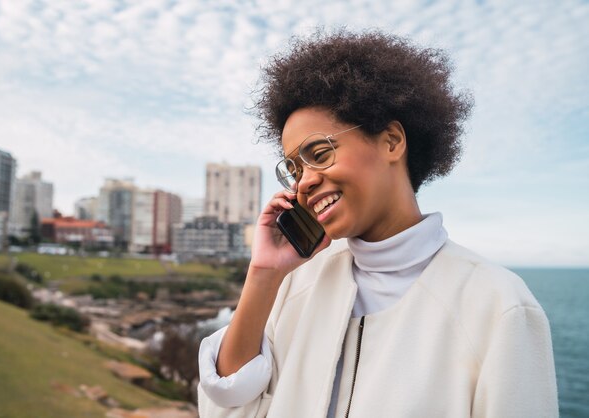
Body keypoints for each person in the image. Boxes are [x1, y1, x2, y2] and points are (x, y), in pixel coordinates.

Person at [197, 30, 558, 418]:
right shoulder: (297, 282)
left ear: (391, 141)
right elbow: (231, 408)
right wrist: (264, 275)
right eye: (294, 170)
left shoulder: (499, 305)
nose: (304, 182)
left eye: (318, 153)